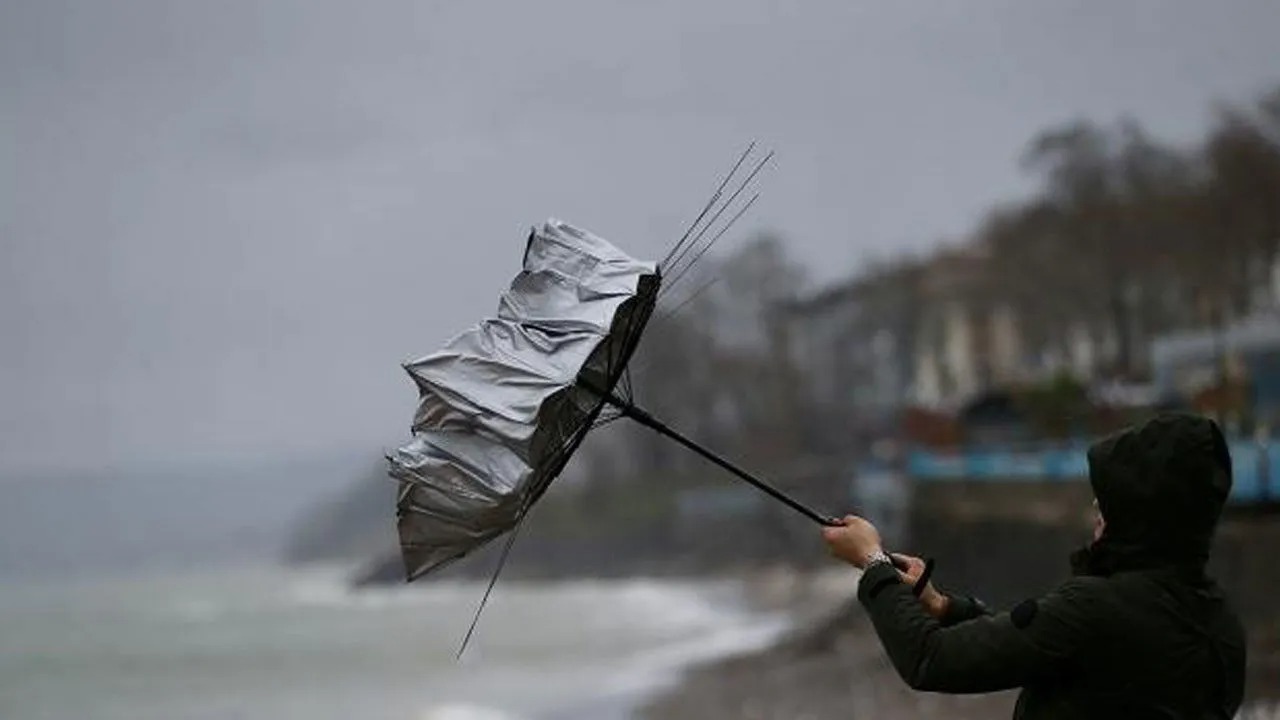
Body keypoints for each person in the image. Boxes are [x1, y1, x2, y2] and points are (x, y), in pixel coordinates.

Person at [822, 412, 1247, 719]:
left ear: (1144, 511)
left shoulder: (1095, 608)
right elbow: (1052, 649)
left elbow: (931, 659)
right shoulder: (1218, 623)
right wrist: (945, 608)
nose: (1097, 506)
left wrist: (873, 561)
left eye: (1113, 498)